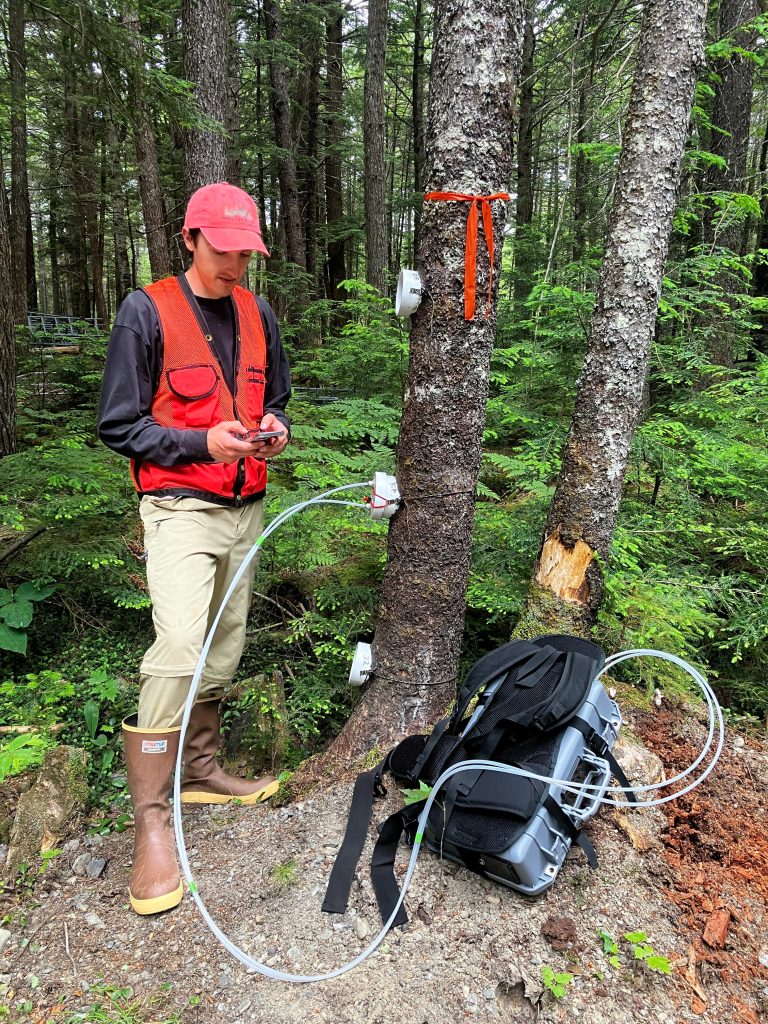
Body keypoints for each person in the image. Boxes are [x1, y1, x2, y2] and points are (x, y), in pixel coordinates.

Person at [98, 182, 291, 916]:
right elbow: (119, 425)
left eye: (246, 249)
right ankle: (150, 824)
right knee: (179, 644)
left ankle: (201, 769)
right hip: (179, 509)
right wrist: (197, 441)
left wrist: (273, 426)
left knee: (224, 646)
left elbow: (279, 396)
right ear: (190, 239)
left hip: (247, 505)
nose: (237, 261)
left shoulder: (256, 309)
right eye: (225, 247)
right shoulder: (147, 310)